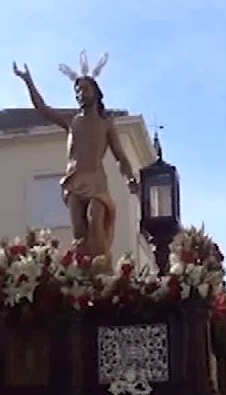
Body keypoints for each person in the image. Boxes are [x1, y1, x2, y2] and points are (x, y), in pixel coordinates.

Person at [12, 54, 138, 269]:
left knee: (95, 220)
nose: (80, 94)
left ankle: (102, 270)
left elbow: (120, 155)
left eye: (85, 89)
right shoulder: (72, 121)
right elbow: (42, 108)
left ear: (96, 93)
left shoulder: (105, 123)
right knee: (79, 232)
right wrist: (28, 81)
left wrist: (129, 177)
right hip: (73, 180)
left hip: (96, 180)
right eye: (77, 91)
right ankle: (84, 273)